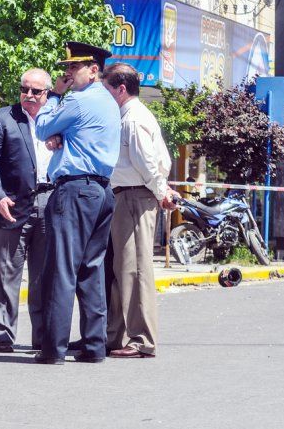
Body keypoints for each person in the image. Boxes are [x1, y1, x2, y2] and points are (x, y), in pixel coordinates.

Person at [33, 42, 121, 364]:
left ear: (93, 70)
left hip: (75, 190)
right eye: (67, 68)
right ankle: (94, 346)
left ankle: (52, 349)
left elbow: (42, 126)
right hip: (101, 191)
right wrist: (63, 137)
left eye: (74, 67)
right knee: (91, 270)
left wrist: (55, 95)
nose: (68, 73)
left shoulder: (76, 100)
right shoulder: (109, 102)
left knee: (61, 270)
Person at [102, 62, 177, 358]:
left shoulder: (133, 120)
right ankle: (115, 336)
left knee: (135, 269)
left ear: (121, 89)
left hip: (135, 196)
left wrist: (161, 192)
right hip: (127, 196)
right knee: (122, 269)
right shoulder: (130, 116)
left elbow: (147, 165)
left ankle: (142, 339)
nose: (105, 95)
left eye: (107, 89)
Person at [0, 68, 55, 352]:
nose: (29, 95)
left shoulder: (57, 119)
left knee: (44, 276)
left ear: (47, 93)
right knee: (6, 275)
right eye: (24, 89)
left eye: (36, 91)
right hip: (11, 206)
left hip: (50, 202)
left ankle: (43, 337)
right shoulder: (2, 118)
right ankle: (3, 336)